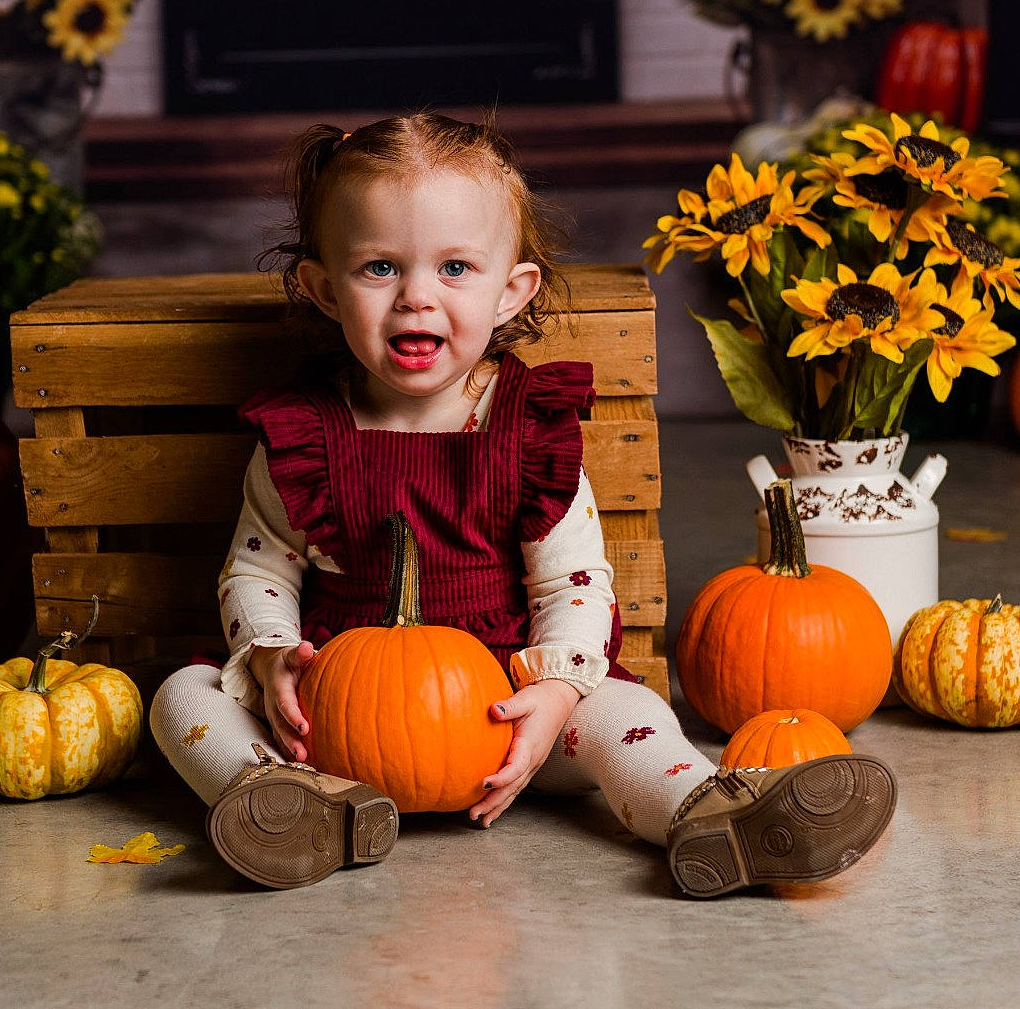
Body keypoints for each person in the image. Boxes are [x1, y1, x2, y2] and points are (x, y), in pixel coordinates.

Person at [147, 114, 896, 895]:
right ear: (325, 289)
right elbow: (258, 569)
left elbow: (574, 582)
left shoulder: (526, 429)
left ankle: (706, 811)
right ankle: (280, 800)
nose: (416, 297)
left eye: (455, 267)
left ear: (511, 291)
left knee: (625, 712)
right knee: (184, 696)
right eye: (379, 267)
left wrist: (557, 690)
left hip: (511, 713)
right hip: (335, 722)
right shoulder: (304, 434)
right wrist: (272, 653)